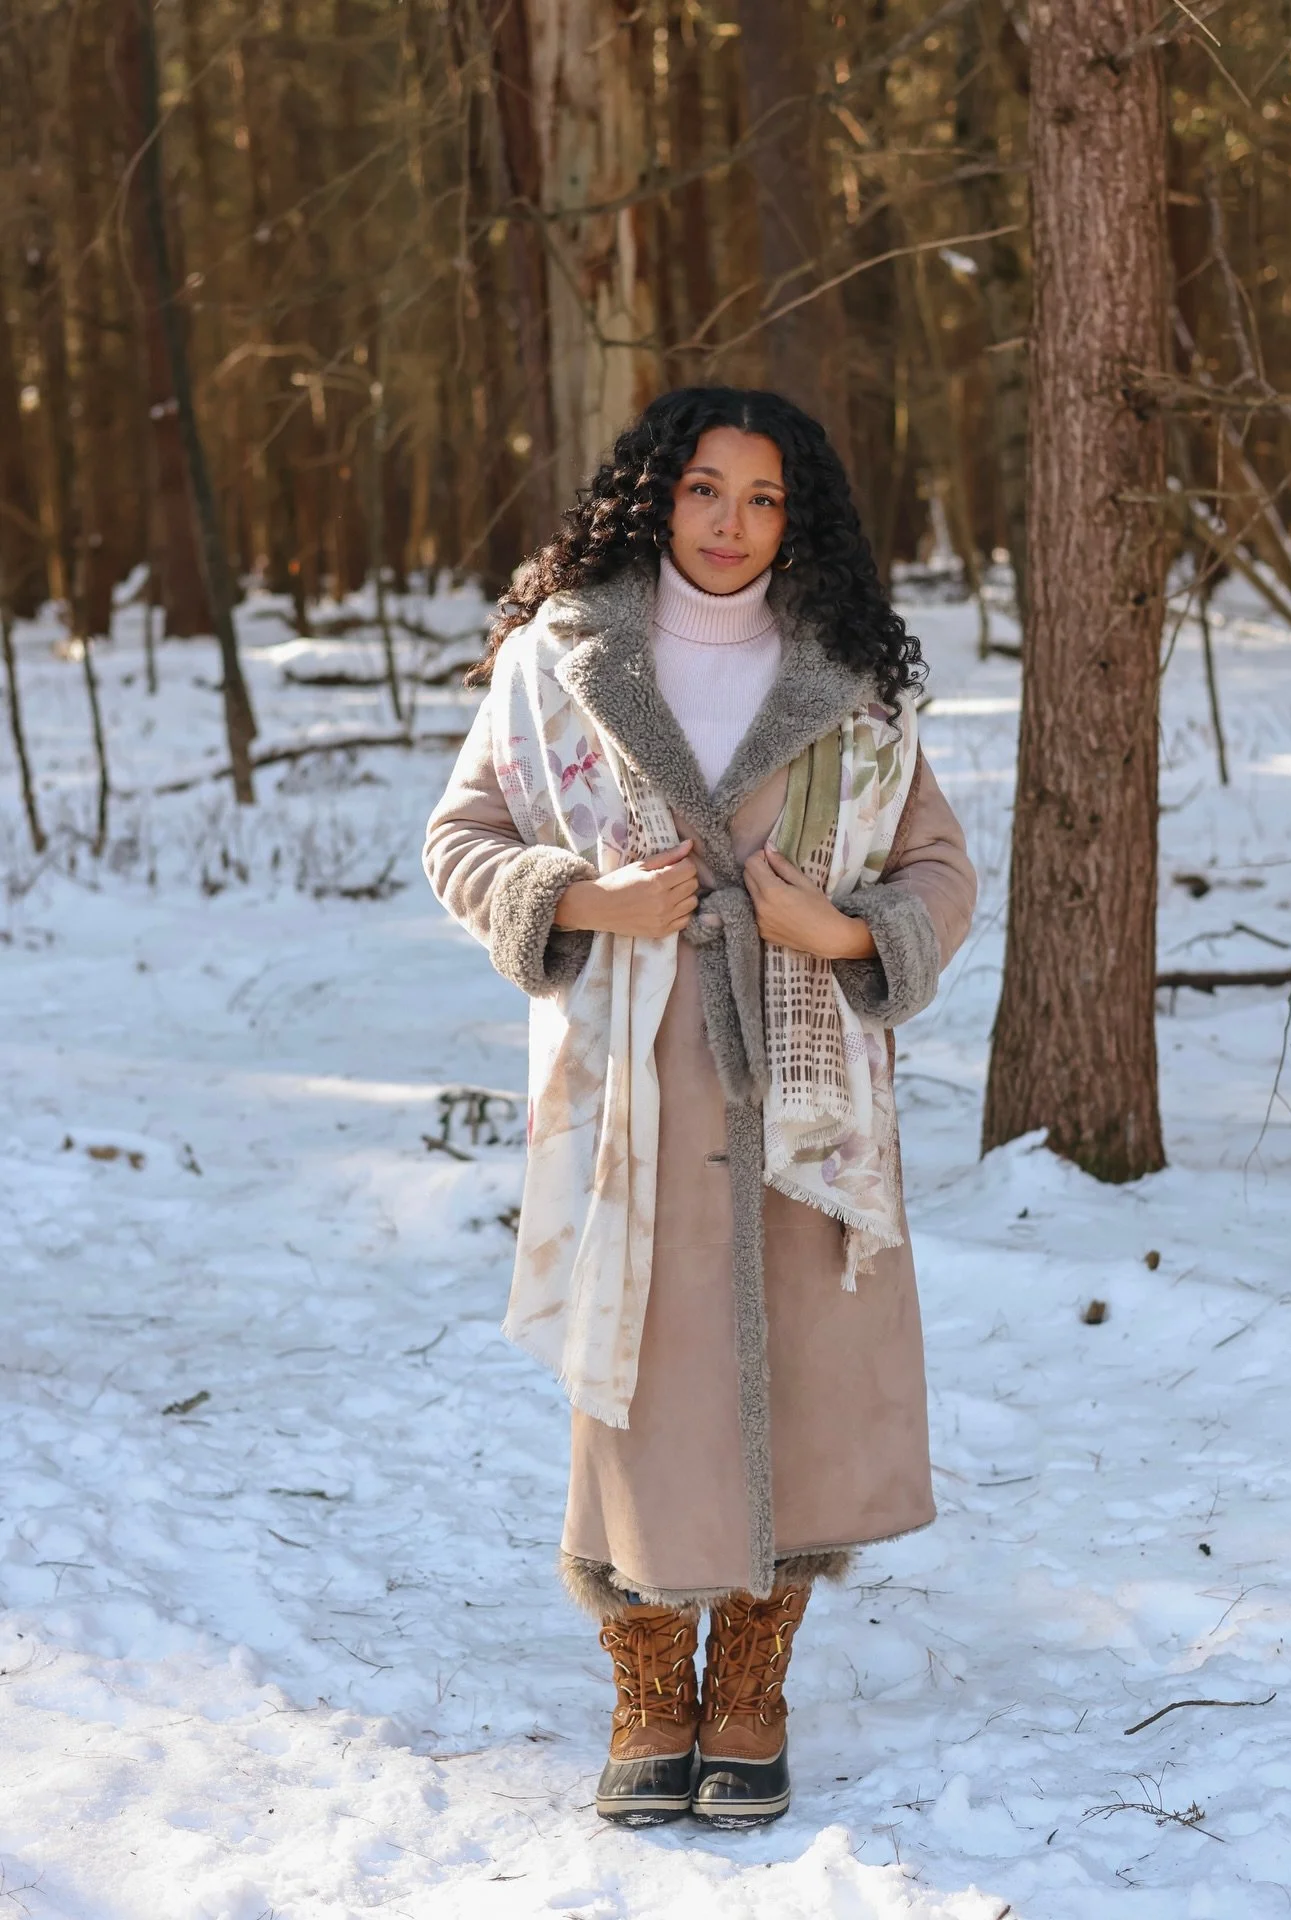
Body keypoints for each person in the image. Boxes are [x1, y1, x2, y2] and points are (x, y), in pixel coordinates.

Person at [423, 386, 977, 1829]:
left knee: (796, 1377)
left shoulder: (849, 674)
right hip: (634, 1081)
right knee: (642, 1382)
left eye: (766, 499)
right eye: (706, 491)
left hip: (806, 1088)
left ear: (801, 522)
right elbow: (463, 836)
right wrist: (581, 897)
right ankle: (649, 1683)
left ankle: (753, 1688)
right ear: (657, 498)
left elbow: (938, 869)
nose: (732, 525)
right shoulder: (561, 661)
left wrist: (844, 939)